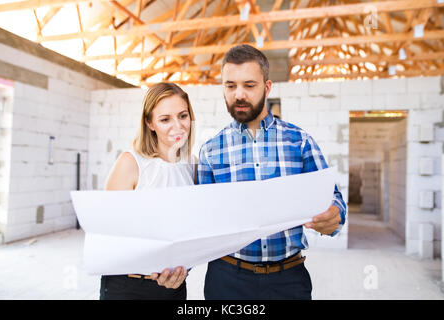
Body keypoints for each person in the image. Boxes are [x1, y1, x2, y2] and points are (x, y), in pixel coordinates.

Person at [197, 44, 347, 300]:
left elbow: (333, 199)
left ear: (267, 88)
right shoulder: (210, 150)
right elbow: (201, 217)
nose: (239, 94)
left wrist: (333, 215)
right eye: (230, 86)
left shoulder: (299, 141)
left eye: (249, 85)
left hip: (287, 280)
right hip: (226, 279)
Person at [100, 82, 197, 300]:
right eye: (165, 119)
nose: (178, 126)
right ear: (149, 123)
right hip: (129, 286)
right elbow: (105, 229)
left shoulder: (192, 164)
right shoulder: (131, 162)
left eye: (183, 116)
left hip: (175, 285)